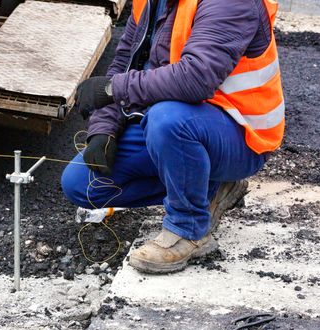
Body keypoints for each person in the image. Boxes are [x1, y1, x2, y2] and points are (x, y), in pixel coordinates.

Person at [61, 0, 284, 274]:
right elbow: (126, 62)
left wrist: (111, 89)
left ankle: (187, 229)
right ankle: (208, 188)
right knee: (81, 184)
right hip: (179, 124)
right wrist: (103, 128)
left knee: (167, 119)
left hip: (239, 135)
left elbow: (196, 78)